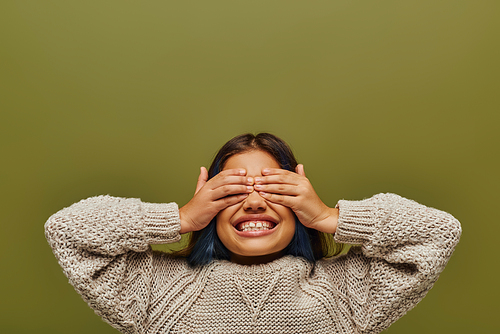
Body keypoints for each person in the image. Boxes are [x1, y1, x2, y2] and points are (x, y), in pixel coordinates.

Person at [45, 133, 461, 334]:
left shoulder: (346, 292)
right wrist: (180, 218)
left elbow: (438, 232)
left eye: (275, 188)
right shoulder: (157, 289)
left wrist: (329, 217)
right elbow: (66, 229)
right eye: (234, 190)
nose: (255, 202)